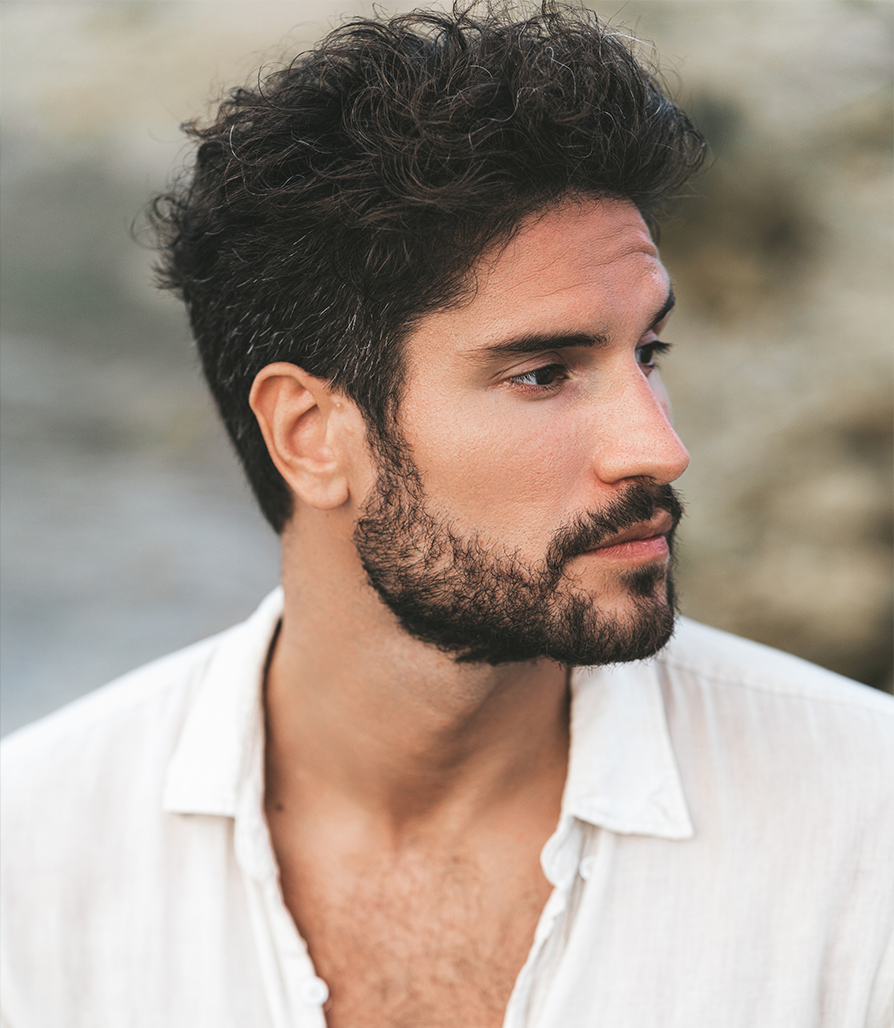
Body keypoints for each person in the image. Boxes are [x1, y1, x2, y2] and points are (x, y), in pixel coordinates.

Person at [1, 5, 892, 1026]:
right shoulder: (33, 860)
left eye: (647, 354)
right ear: (312, 434)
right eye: (546, 372)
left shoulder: (864, 828)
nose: (659, 446)